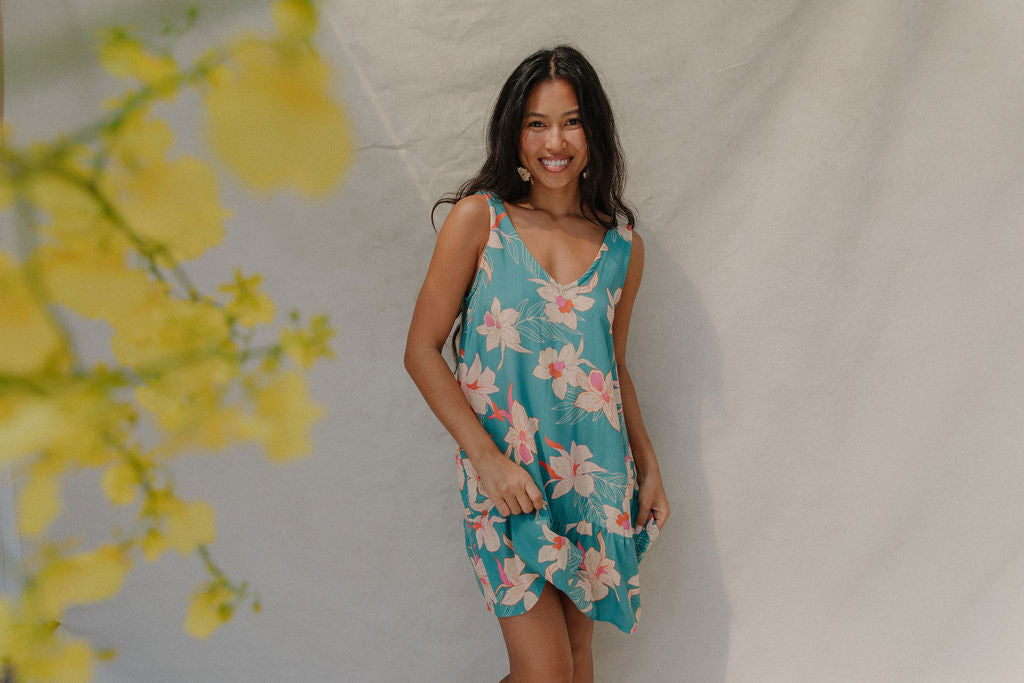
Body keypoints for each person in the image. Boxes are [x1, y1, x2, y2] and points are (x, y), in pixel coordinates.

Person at [404, 45, 669, 682]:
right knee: (546, 674)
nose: (555, 141)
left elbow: (614, 368)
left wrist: (650, 466)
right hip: (507, 480)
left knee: (577, 666)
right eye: (536, 123)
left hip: (595, 478)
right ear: (515, 135)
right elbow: (420, 350)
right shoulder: (479, 221)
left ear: (594, 132)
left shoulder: (621, 248)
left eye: (571, 121)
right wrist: (487, 461)